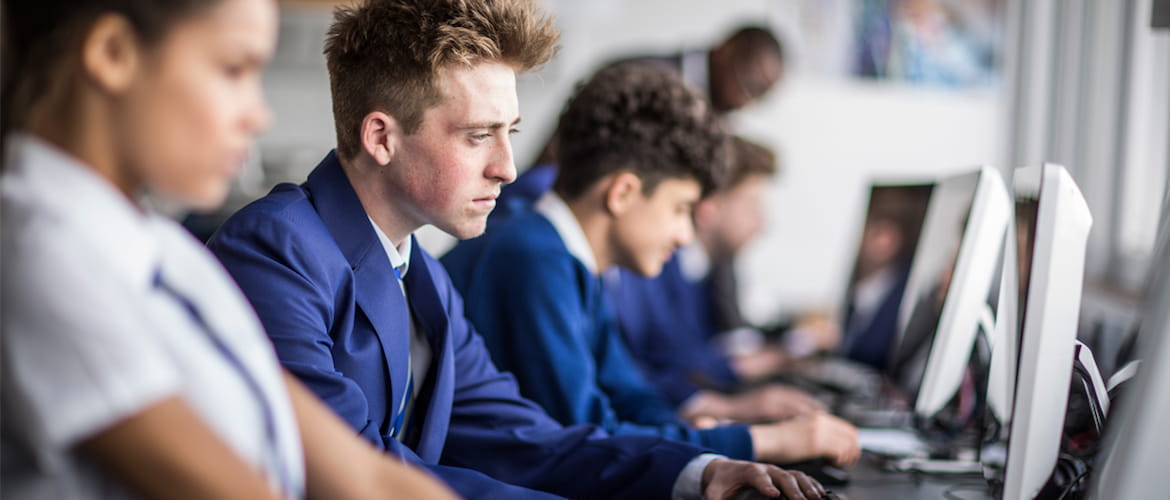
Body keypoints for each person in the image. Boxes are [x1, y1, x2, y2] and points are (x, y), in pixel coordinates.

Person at [206, 1, 829, 499]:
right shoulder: (279, 250)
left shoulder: (420, 272)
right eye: (479, 136)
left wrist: (700, 474)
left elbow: (530, 440)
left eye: (510, 135)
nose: (507, 168)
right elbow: (357, 474)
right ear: (382, 138)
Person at [0, 0, 458, 499]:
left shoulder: (164, 248)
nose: (259, 115)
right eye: (233, 69)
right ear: (112, 53)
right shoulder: (39, 255)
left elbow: (364, 478)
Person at [442, 62, 860, 468]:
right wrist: (762, 441)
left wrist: (695, 429)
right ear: (622, 193)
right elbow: (589, 436)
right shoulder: (534, 260)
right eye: (681, 208)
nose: (684, 235)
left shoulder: (574, 260)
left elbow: (629, 392)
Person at [604, 136, 828, 423]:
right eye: (751, 205)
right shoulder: (655, 266)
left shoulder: (702, 271)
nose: (762, 223)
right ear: (711, 207)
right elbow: (662, 360)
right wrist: (737, 381)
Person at [500, 25, 786, 214]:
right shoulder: (646, 78)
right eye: (748, 83)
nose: (744, 101)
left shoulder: (711, 110)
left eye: (760, 96)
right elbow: (562, 158)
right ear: (727, 48)